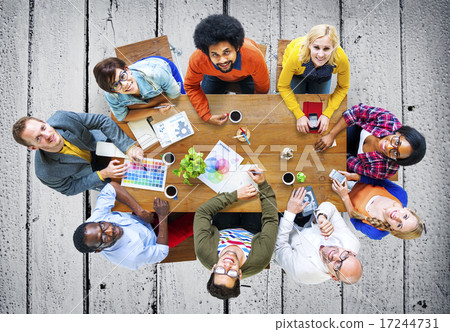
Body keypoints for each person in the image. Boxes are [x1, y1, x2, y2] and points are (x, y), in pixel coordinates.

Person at [193, 167, 278, 299]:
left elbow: (202, 213)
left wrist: (235, 195)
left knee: (229, 179)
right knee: (256, 190)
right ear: (239, 275)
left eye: (221, 271)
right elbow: (270, 220)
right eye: (231, 273)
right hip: (253, 230)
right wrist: (262, 184)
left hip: (224, 226)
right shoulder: (260, 260)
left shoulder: (204, 252)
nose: (227, 265)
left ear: (213, 269)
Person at [12, 111, 142, 196]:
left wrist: (128, 147)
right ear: (33, 147)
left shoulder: (62, 118)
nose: (48, 135)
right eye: (38, 138)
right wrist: (103, 174)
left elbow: (102, 121)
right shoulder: (45, 172)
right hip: (94, 174)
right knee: (139, 191)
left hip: (100, 145)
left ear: (44, 122)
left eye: (43, 128)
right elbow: (69, 188)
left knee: (144, 155)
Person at [72, 182, 192, 270]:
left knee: (167, 186)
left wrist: (139, 211)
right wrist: (162, 217)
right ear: (99, 249)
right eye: (104, 238)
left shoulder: (94, 221)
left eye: (103, 226)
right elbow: (161, 252)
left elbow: (111, 187)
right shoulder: (130, 257)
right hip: (158, 238)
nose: (110, 230)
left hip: (140, 217)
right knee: (198, 220)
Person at [184, 14, 270, 125]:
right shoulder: (198, 59)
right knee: (203, 108)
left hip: (247, 76)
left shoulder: (254, 57)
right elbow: (191, 86)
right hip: (215, 76)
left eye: (226, 52)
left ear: (237, 47)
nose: (222, 60)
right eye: (215, 54)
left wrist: (254, 106)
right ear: (206, 53)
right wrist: (206, 116)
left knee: (254, 114)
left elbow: (262, 89)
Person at [314, 103, 426, 179]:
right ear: (399, 133)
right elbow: (356, 112)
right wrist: (331, 135)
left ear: (397, 161)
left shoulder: (384, 170)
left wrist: (331, 153)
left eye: (396, 153)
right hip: (342, 128)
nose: (388, 147)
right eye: (397, 142)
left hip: (344, 155)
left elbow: (350, 164)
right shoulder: (388, 120)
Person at [274, 188, 362, 285]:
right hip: (306, 221)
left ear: (333, 276)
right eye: (344, 256)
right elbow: (330, 208)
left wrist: (290, 213)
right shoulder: (351, 243)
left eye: (337, 266)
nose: (335, 256)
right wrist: (322, 216)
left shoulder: (303, 272)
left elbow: (279, 247)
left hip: (278, 234)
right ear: (352, 252)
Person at [278, 24, 350, 134]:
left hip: (322, 76)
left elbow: (343, 87)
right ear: (309, 45)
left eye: (326, 49)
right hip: (298, 73)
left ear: (333, 48)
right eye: (316, 47)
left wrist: (327, 114)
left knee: (318, 106)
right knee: (291, 106)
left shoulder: (341, 58)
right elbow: (283, 86)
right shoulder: (296, 55)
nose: (321, 54)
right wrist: (299, 115)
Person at [331, 171, 424, 240]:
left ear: (393, 229)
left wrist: (344, 196)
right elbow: (378, 180)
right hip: (355, 179)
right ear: (408, 210)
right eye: (405, 216)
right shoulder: (400, 194)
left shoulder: (376, 233)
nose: (398, 217)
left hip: (342, 200)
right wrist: (352, 176)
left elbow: (356, 222)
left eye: (399, 225)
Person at [93, 56, 183, 121]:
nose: (125, 84)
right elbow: (123, 117)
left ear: (127, 69)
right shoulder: (111, 94)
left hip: (162, 67)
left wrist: (138, 108)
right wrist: (156, 110)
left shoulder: (157, 73)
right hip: (143, 72)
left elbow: (174, 95)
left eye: (122, 76)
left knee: (182, 98)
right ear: (111, 90)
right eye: (116, 85)